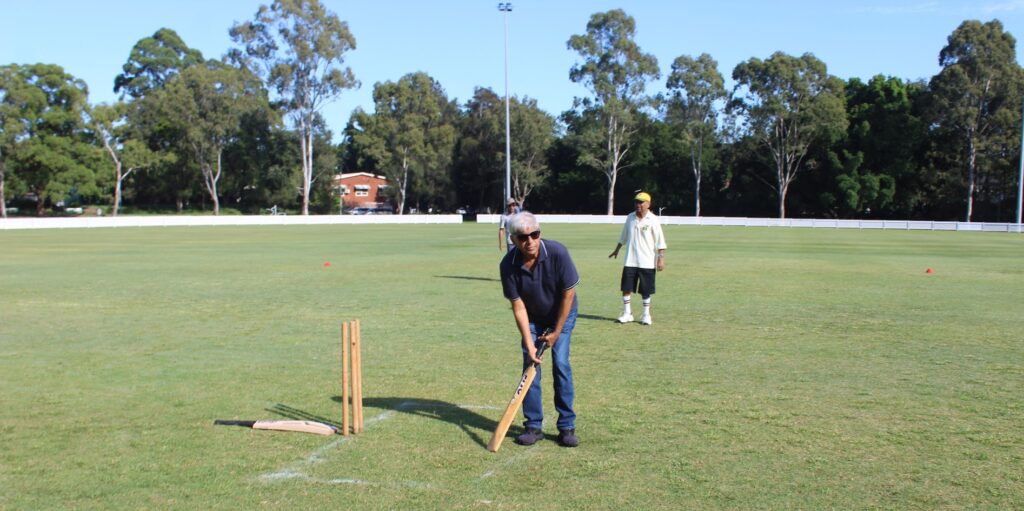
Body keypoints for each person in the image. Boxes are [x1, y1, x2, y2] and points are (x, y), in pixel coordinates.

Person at [499, 211, 580, 447]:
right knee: (530, 365)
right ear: (513, 239)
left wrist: (556, 331)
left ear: (539, 233)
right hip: (533, 318)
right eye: (523, 237)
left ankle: (566, 426)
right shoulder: (508, 265)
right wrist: (529, 342)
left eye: (534, 235)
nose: (530, 241)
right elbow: (518, 307)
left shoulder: (557, 252)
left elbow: (568, 294)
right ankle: (533, 426)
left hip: (562, 314)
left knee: (561, 363)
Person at [608, 191, 667, 325]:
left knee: (646, 290)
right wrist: (617, 250)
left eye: (641, 202)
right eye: (636, 202)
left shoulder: (653, 220)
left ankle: (646, 315)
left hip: (647, 261)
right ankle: (627, 313)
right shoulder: (630, 217)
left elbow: (660, 241)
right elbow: (623, 236)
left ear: (648, 204)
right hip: (630, 260)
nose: (638, 204)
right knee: (626, 288)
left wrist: (661, 258)